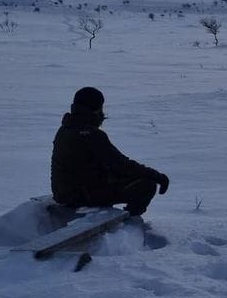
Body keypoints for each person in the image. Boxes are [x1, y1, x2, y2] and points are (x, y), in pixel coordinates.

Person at [51, 87, 170, 216]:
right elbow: (122, 165)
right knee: (147, 185)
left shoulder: (65, 128)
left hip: (64, 193)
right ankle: (129, 224)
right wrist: (157, 176)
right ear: (96, 108)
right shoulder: (90, 134)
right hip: (80, 196)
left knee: (116, 175)